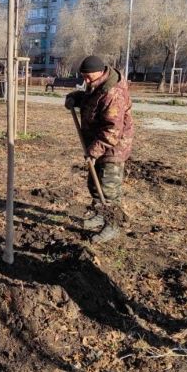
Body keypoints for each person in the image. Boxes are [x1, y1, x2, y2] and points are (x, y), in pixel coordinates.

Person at [65, 55, 134, 243]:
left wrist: (93, 151)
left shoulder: (113, 93)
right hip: (97, 142)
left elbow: (112, 131)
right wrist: (75, 98)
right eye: (84, 77)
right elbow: (91, 100)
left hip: (113, 147)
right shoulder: (97, 83)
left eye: (88, 77)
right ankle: (100, 214)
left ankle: (113, 225)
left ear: (100, 72)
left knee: (108, 189)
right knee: (94, 184)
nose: (86, 81)